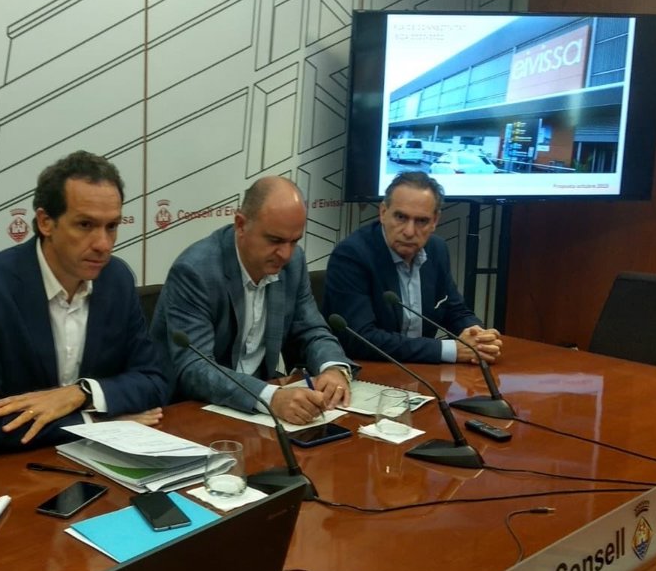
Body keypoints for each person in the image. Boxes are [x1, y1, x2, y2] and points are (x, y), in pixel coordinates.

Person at [0, 151, 167, 455]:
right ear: (46, 222)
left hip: (95, 460)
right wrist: (98, 422)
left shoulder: (116, 279)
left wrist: (82, 393)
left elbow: (153, 382)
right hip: (4, 465)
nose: (103, 244)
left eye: (112, 226)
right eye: (85, 225)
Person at [151, 176, 354, 424]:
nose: (286, 254)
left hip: (259, 412)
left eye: (294, 241)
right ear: (240, 225)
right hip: (193, 411)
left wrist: (332, 368)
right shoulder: (196, 271)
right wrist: (270, 397)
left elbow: (311, 329)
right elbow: (195, 368)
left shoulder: (293, 263)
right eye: (275, 240)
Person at [322, 171, 502, 364]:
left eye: (421, 221)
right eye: (401, 217)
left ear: (435, 221)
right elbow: (361, 338)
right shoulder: (352, 255)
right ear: (383, 212)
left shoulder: (437, 249)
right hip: (370, 368)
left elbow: (455, 310)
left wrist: (478, 337)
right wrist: (449, 350)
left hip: (423, 370)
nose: (409, 232)